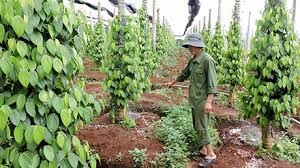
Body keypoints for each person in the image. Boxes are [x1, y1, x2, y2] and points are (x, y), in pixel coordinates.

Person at [166, 34, 217, 167]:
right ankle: (204, 149)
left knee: (201, 126)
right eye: (188, 45)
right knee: (197, 125)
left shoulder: (207, 60)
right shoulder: (194, 60)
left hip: (202, 100)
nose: (189, 48)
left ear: (199, 46)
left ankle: (211, 154)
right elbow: (185, 73)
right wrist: (173, 81)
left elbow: (212, 83)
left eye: (191, 45)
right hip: (195, 99)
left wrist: (209, 102)